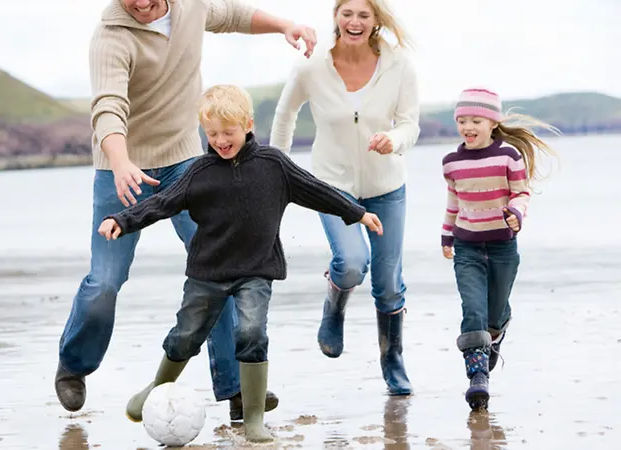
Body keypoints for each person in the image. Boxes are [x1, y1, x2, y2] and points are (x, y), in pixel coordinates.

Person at [55, 0, 320, 420]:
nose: (140, 3)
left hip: (183, 160)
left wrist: (285, 25)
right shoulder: (111, 37)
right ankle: (74, 365)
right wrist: (122, 162)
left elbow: (233, 16)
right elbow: (108, 107)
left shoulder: (189, 7)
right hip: (120, 165)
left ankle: (235, 389)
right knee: (105, 280)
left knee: (222, 267)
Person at [99, 84, 384, 443]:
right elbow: (162, 203)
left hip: (256, 271)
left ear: (248, 124)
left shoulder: (274, 166)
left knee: (251, 334)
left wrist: (357, 213)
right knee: (185, 337)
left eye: (228, 132)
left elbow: (317, 190)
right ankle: (156, 387)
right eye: (212, 133)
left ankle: (252, 419)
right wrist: (122, 220)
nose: (220, 140)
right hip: (207, 273)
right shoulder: (198, 172)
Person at [268, 0, 419, 396]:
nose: (354, 22)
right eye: (347, 13)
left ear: (376, 21)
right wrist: (276, 173)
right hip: (331, 186)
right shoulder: (312, 66)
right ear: (336, 16)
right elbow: (284, 117)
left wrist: (396, 140)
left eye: (364, 15)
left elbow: (409, 124)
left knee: (388, 284)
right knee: (352, 264)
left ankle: (392, 359)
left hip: (387, 188)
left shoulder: (398, 65)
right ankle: (334, 307)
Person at [441, 88, 557, 410]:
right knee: (473, 308)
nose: (467, 126)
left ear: (493, 122)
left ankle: (497, 331)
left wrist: (516, 214)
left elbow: (521, 193)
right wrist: (446, 236)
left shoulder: (509, 156)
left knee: (494, 313)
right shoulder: (451, 162)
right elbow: (454, 202)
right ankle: (478, 378)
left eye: (475, 120)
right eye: (462, 120)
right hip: (467, 246)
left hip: (503, 246)